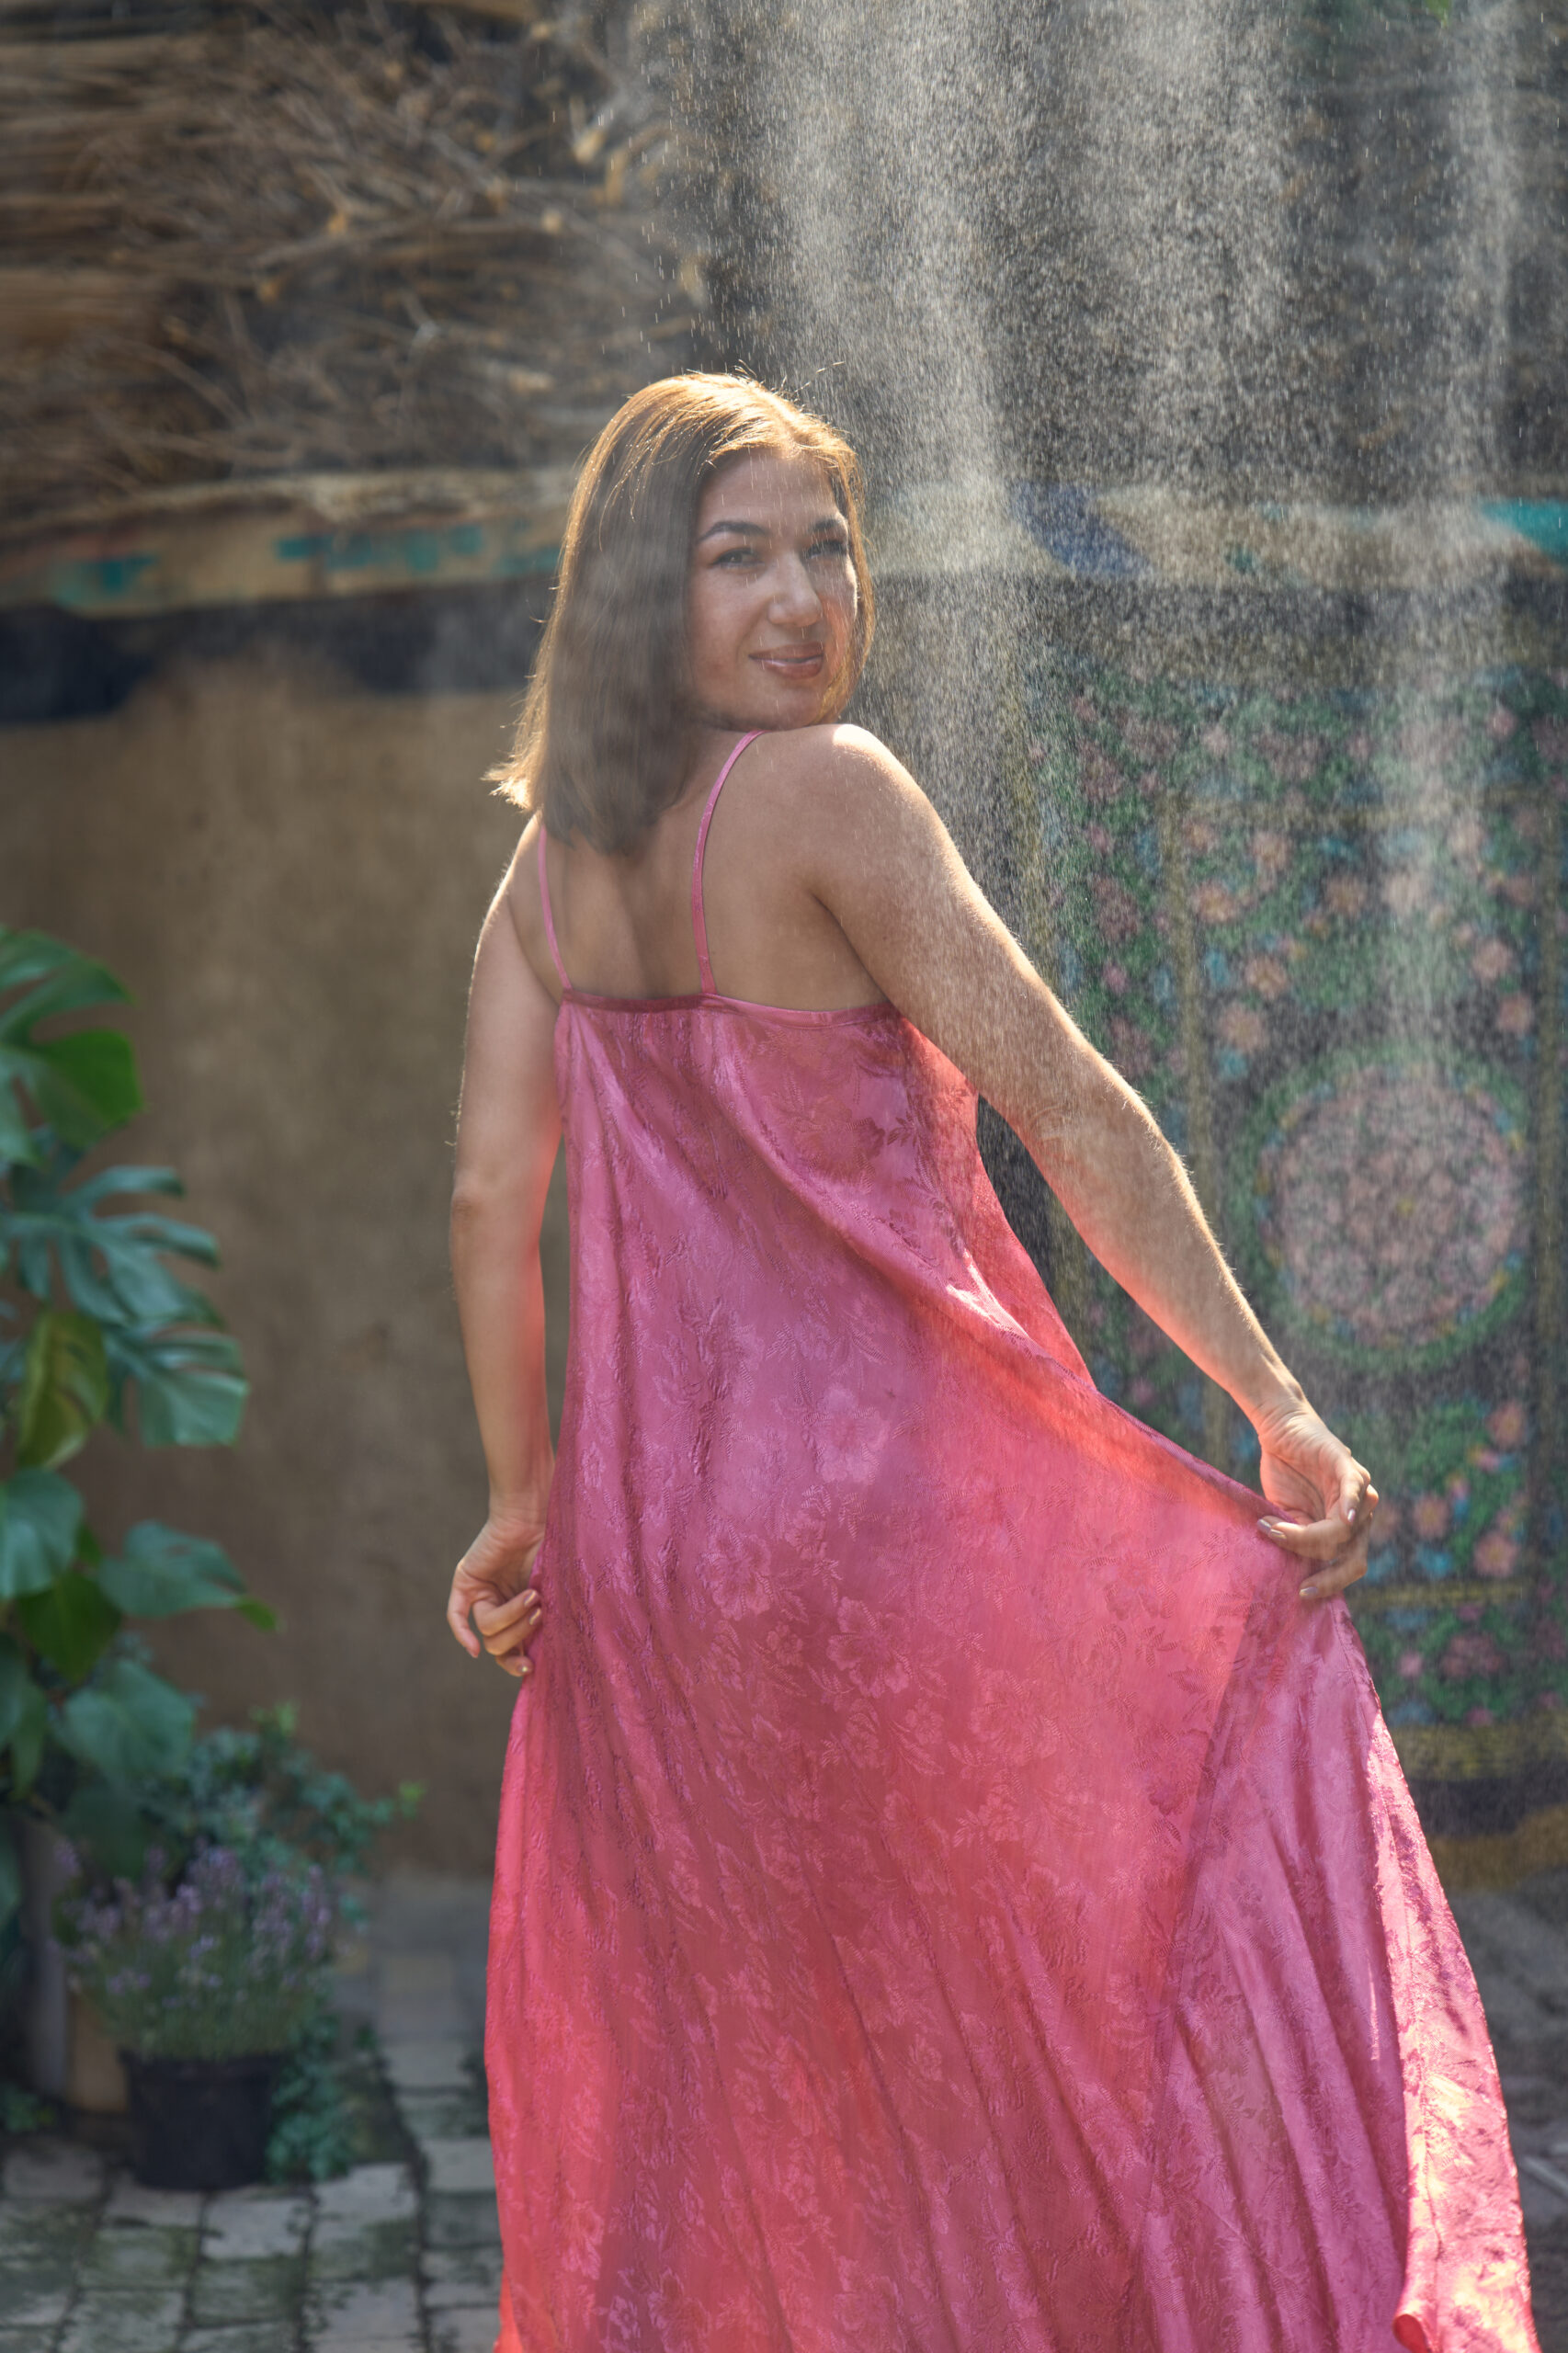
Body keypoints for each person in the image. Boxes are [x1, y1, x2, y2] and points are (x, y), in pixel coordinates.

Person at [446, 373, 1536, 2352]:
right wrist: (1273, 1397)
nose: (805, 597)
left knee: (777, 2071)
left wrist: (522, 1501)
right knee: (1027, 2029)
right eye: (739, 555)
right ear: (636, 589)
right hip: (897, 1538)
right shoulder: (826, 791)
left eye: (829, 547)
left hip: (660, 1568)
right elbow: (1068, 1099)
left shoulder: (545, 874)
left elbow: (481, 1195)